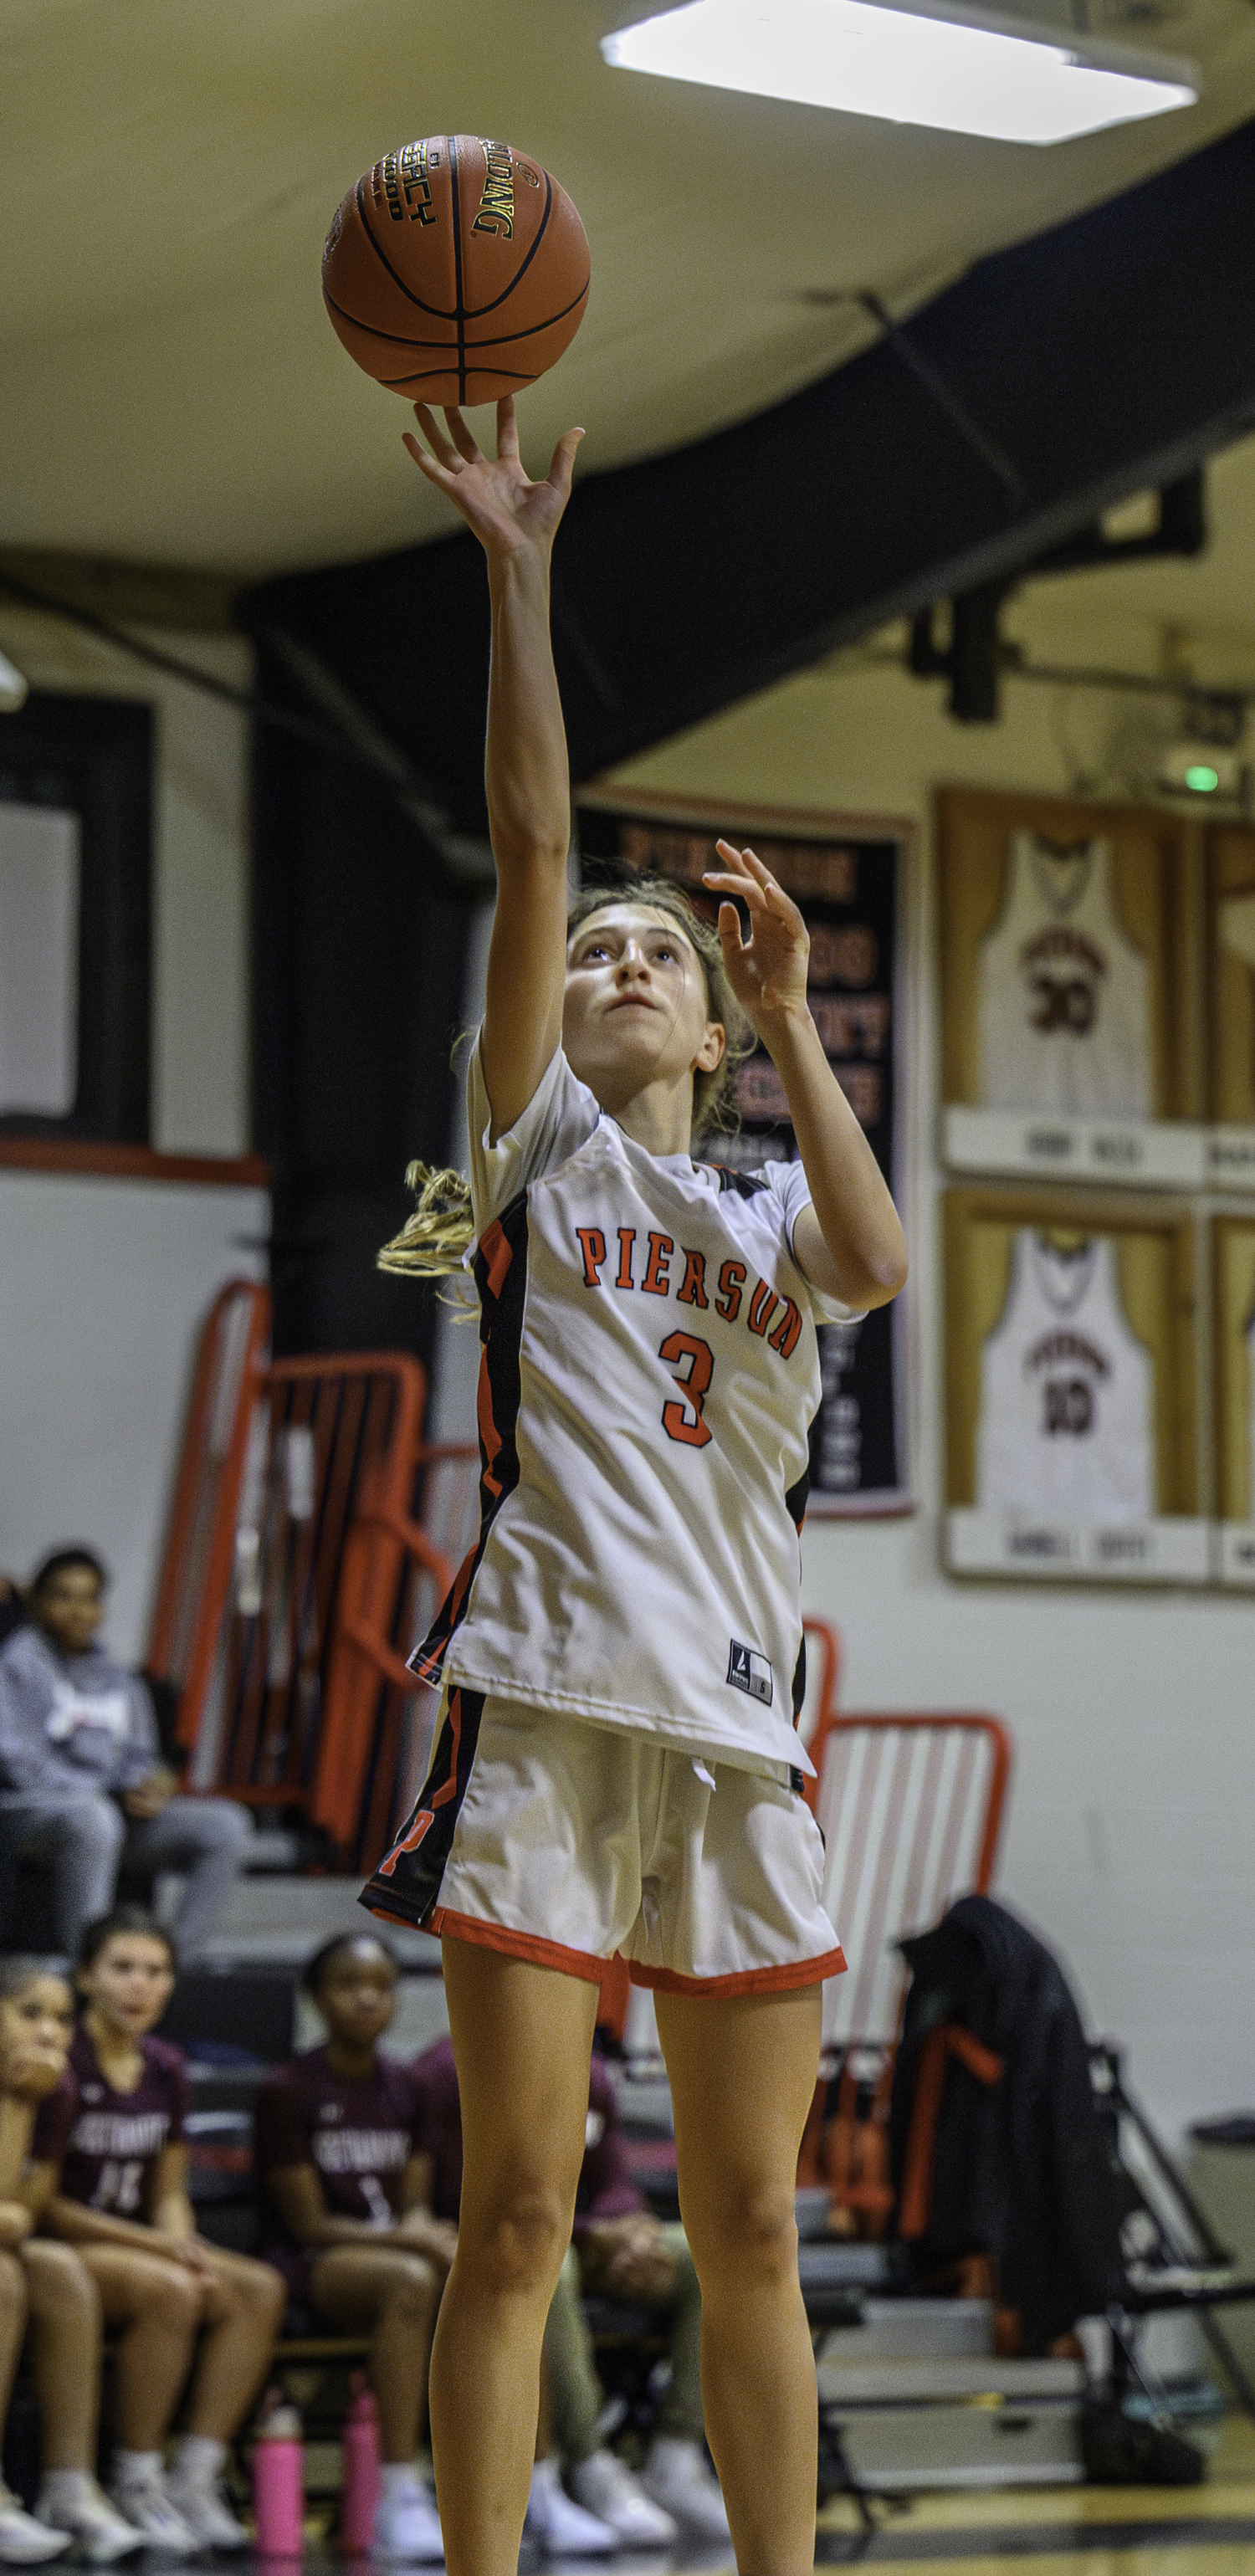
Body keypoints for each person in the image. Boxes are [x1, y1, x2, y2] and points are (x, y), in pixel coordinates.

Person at [360, 394, 908, 2576]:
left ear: (704, 1030)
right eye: (600, 952)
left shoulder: (775, 1207)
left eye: (650, 954)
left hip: (734, 1733)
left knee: (752, 2213)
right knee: (507, 2204)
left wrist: (790, 1013)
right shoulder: (539, 1150)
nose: (613, 962)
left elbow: (875, 1261)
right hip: (558, 1700)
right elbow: (522, 839)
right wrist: (518, 567)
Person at [412, 2030, 726, 2546]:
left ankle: (676, 2454)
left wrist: (632, 2233)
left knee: (705, 2259)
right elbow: (458, 2199)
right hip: (488, 2243)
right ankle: (590, 2461)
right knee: (545, 2269)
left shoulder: (591, 2072)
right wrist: (588, 2234)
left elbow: (613, 2187)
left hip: (582, 2239)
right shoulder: (446, 2072)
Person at [33, 1909, 285, 2551]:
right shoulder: (63, 2061)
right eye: (122, 1968)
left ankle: (193, 2476)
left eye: (155, 1971)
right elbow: (49, 2205)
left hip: (136, 2239)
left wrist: (184, 2238)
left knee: (258, 2288)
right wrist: (162, 2246)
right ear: (88, 1977)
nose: (138, 1986)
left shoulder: (168, 2066)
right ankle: (134, 2478)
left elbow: (168, 2190)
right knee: (171, 2287)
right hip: (67, 2240)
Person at [254, 1932, 450, 2564]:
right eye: (348, 1984)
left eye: (382, 1986)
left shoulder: (411, 2086)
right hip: (311, 2260)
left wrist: (422, 2231)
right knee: (409, 2279)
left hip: (392, 2249)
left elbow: (414, 2199)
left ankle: (539, 2478)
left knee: (500, 2276)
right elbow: (308, 2222)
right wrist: (411, 2236)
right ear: (315, 1996)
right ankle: (399, 2487)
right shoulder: (287, 2087)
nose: (368, 1998)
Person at [0, 1551, 251, 1959]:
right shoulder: (15, 1665)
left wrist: (147, 1785)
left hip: (112, 1811)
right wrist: (107, 1792)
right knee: (94, 1820)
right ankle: (94, 1965)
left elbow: (140, 1756)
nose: (78, 1610)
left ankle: (172, 1965)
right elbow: (19, 1764)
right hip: (32, 1813)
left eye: (89, 1598)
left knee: (226, 1825)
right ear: (37, 1604)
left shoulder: (120, 1679)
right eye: (63, 1597)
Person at [0, 1956, 141, 2564]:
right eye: (29, 2012)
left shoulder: (49, 2088)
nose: (50, 2031)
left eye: (61, 2017)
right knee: (3, 2276)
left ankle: (69, 2483)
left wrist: (22, 2100)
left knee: (59, 2270)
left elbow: (19, 2212)